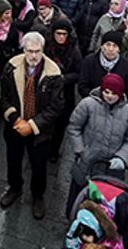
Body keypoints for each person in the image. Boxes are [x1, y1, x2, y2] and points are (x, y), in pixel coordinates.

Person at [0, 31, 64, 220]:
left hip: (40, 131)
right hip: (16, 126)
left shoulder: (54, 73)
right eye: (29, 51)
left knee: (38, 165)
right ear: (23, 49)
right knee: (13, 160)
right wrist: (16, 119)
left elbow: (55, 107)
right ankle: (14, 188)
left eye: (37, 51)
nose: (33, 56)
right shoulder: (11, 67)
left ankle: (37, 195)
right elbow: (3, 97)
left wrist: (33, 125)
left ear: (43, 50)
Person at [66, 73, 128, 210]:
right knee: (76, 200)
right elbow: (74, 127)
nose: (110, 96)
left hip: (111, 170)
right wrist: (81, 150)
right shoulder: (87, 104)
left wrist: (122, 157)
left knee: (103, 206)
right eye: (107, 91)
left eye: (114, 93)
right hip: (86, 163)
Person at [46, 19, 84, 162]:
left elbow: (79, 73)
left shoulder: (74, 50)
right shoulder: (47, 47)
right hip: (47, 91)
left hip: (65, 93)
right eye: (58, 34)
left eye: (64, 34)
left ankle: (54, 150)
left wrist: (63, 79)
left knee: (60, 125)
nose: (61, 37)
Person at [78, 30, 128, 100]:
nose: (111, 49)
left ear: (119, 49)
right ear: (102, 46)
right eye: (108, 44)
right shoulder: (89, 61)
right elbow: (82, 86)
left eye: (115, 46)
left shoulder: (127, 66)